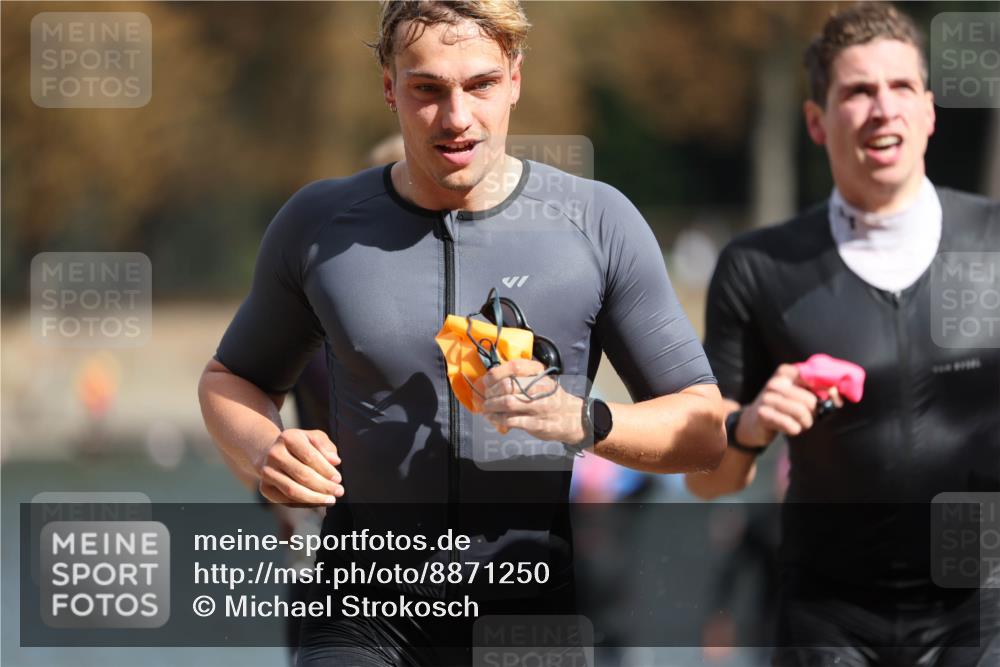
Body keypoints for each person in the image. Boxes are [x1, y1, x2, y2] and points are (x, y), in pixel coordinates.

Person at [197, 1, 725, 664]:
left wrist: (580, 419)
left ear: (514, 80)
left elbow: (705, 429)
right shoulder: (319, 224)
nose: (456, 118)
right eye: (427, 90)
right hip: (362, 617)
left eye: (479, 85)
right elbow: (229, 379)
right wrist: (266, 449)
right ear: (389, 85)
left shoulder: (597, 223)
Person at [685, 3, 999, 666]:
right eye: (858, 91)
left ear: (930, 110)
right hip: (829, 619)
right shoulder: (758, 266)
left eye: (901, 88)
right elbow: (706, 479)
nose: (883, 108)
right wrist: (749, 423)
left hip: (983, 612)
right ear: (817, 121)